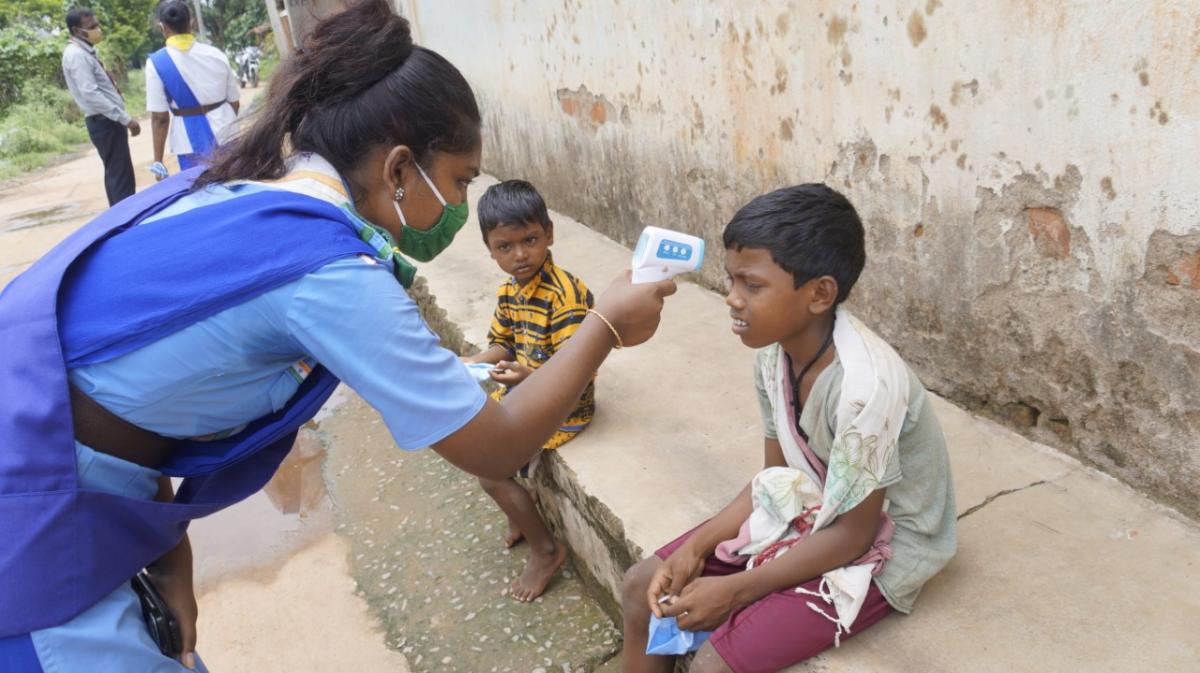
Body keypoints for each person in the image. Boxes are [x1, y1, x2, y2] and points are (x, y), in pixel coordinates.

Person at [0, 1, 675, 671]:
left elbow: (129, 389)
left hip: (75, 480)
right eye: (460, 180)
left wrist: (169, 554)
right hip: (33, 514)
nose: (463, 205)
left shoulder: (244, 194)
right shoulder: (324, 269)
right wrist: (605, 324)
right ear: (400, 168)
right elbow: (493, 445)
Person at [619, 185, 956, 673]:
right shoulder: (774, 355)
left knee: (715, 664)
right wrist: (696, 548)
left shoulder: (865, 388)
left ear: (820, 293)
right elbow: (775, 477)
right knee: (639, 587)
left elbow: (855, 536)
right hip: (815, 501)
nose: (732, 299)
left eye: (751, 286)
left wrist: (734, 590)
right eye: (732, 281)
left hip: (885, 540)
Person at [462, 179, 595, 602]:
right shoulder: (509, 291)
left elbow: (575, 371)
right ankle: (519, 509)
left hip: (563, 406)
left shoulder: (566, 296)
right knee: (469, 427)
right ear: (489, 248)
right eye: (505, 247)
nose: (519, 255)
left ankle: (546, 549)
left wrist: (526, 375)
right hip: (527, 392)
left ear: (550, 234)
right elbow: (502, 342)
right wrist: (467, 365)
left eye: (530, 240)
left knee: (488, 469)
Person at [145, 0, 240, 178]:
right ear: (192, 23)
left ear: (162, 27)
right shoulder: (216, 54)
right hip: (227, 133)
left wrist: (158, 161)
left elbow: (160, 118)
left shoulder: (157, 63)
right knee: (236, 186)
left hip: (188, 143)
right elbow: (234, 102)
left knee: (200, 192)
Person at [61, 7, 140, 205]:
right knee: (120, 176)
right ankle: (124, 222)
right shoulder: (77, 55)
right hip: (105, 121)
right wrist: (125, 119)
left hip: (107, 121)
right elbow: (90, 93)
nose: (97, 29)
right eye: (92, 26)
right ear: (77, 30)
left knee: (118, 173)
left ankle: (121, 219)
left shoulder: (84, 52)